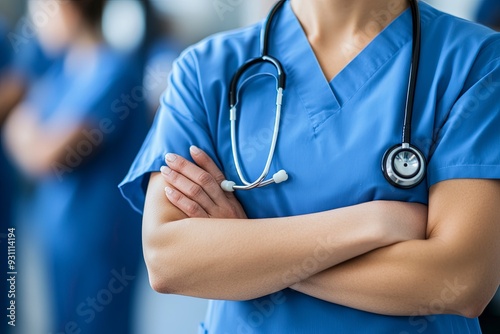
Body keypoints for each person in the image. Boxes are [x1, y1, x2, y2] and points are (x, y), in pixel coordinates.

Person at [120, 0, 500, 333]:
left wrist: (244, 254)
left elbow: (462, 279)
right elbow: (168, 261)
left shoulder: (476, 62)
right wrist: (374, 222)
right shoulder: (206, 70)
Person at [3, 0, 148, 332]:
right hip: (58, 239)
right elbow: (24, 134)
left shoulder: (115, 73)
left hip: (98, 245)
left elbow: (50, 155)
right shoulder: (61, 72)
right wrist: (29, 138)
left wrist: (27, 136)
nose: (36, 21)